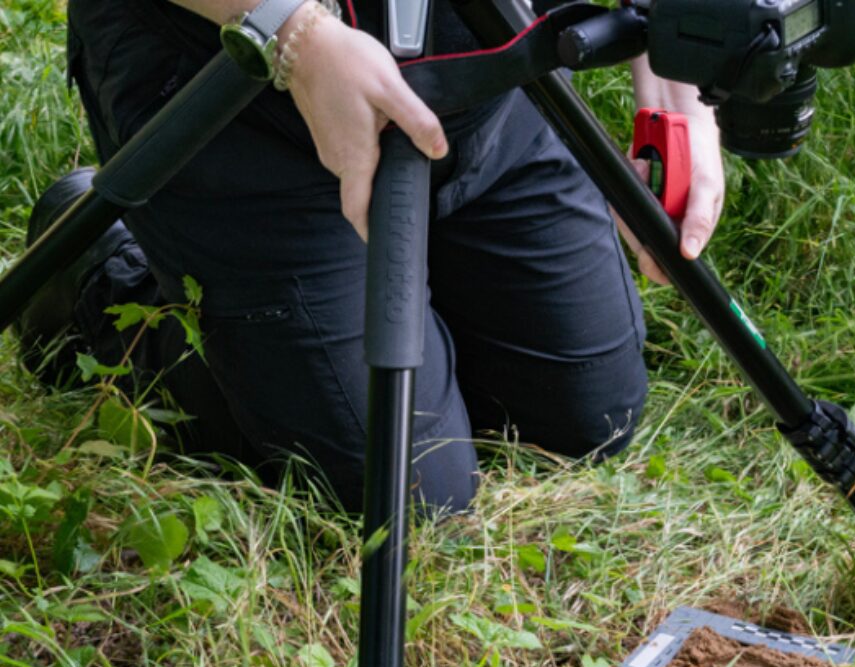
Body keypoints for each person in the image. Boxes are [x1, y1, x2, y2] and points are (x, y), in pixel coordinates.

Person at [21, 0, 724, 513]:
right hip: (235, 85)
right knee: (407, 492)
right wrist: (289, 29)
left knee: (586, 421)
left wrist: (676, 85)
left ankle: (402, 302)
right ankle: (95, 277)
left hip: (478, 66)